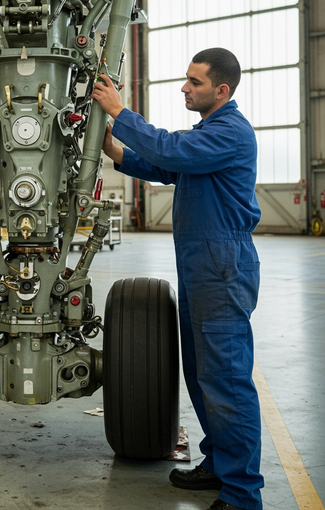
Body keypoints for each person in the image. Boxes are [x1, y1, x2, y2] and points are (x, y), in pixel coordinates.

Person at [91, 48, 262, 510]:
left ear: (221, 90)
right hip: (201, 265)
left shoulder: (231, 132)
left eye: (195, 82)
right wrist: (117, 152)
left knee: (225, 379)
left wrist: (121, 113)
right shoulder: (210, 131)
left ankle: (243, 494)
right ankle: (218, 463)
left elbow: (172, 149)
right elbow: (167, 167)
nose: (184, 88)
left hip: (221, 266)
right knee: (204, 375)